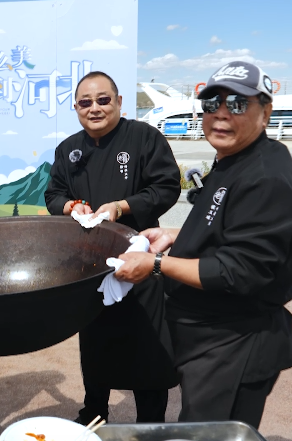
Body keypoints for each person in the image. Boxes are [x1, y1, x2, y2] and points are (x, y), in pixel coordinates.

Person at [114, 61, 292, 428]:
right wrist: (175, 236)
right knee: (198, 428)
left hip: (235, 342)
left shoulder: (265, 177)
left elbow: (239, 270)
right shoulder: (236, 158)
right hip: (208, 337)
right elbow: (226, 225)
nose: (221, 114)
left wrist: (156, 265)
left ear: (265, 112)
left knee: (209, 434)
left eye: (237, 104)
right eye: (211, 104)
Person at [44, 71, 182, 424]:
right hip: (90, 265)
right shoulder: (69, 148)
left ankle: (150, 423)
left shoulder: (144, 138)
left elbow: (166, 186)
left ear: (119, 102)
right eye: (85, 102)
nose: (95, 108)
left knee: (148, 346)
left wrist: (123, 206)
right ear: (76, 107)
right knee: (96, 344)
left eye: (103, 100)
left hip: (139, 260)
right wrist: (70, 207)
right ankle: (94, 413)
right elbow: (53, 193)